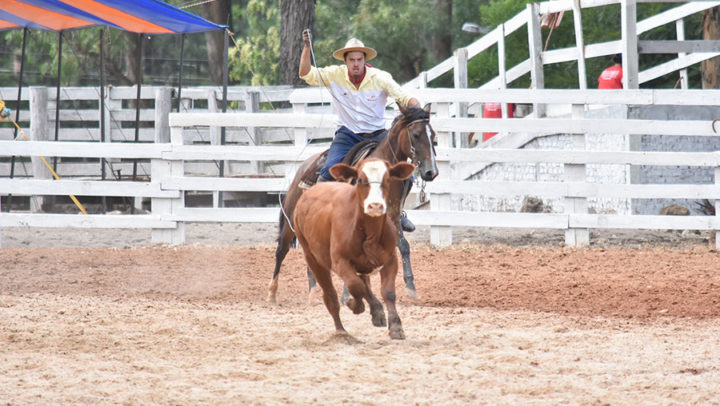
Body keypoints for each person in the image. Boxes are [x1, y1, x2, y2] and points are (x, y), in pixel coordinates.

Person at [298, 30, 421, 232]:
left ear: (365, 60)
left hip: (378, 134)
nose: (356, 63)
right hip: (348, 133)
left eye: (359, 59)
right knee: (329, 170)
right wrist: (306, 48)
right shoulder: (334, 74)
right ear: (345, 61)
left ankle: (399, 212)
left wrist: (416, 109)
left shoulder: (380, 78)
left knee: (404, 174)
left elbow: (403, 96)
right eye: (352, 59)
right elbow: (305, 73)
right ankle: (320, 210)